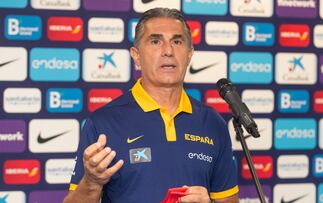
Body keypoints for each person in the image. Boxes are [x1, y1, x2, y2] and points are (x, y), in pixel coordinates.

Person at [63, 7, 239, 203]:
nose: (168, 51)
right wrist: (92, 182)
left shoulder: (213, 122)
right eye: (155, 41)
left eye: (177, 41)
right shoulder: (102, 123)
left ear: (189, 54)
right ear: (136, 55)